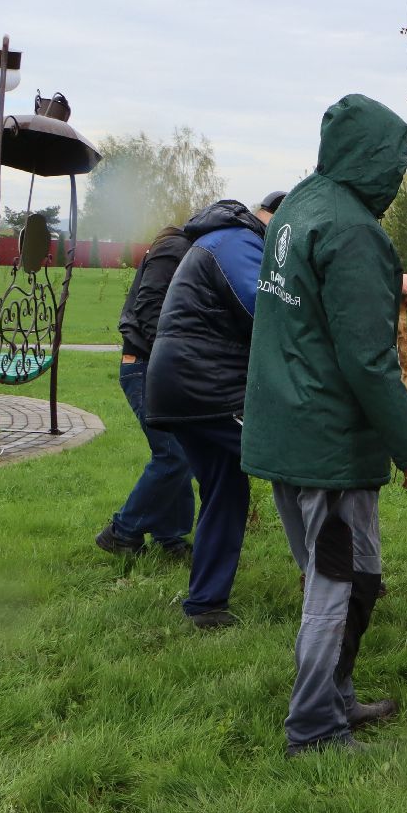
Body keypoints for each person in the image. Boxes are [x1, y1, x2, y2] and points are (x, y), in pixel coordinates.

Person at [241, 93, 407, 757]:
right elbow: (366, 358)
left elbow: (322, 309)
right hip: (322, 441)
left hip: (286, 426)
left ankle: (338, 697)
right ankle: (313, 728)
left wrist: (385, 284)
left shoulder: (300, 205)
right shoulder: (353, 230)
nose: (401, 176)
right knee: (336, 584)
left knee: (361, 574)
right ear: (374, 159)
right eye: (397, 163)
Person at [142, 193, 283, 628]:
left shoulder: (229, 240)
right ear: (276, 220)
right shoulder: (238, 242)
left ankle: (205, 606)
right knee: (297, 461)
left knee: (227, 490)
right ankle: (334, 577)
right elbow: (264, 309)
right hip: (207, 389)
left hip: (186, 386)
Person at [96, 220, 205, 559]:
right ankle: (121, 532)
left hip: (161, 367)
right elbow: (149, 308)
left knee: (181, 452)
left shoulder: (188, 252)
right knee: (174, 453)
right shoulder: (175, 249)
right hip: (145, 367)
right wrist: (173, 355)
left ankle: (169, 537)